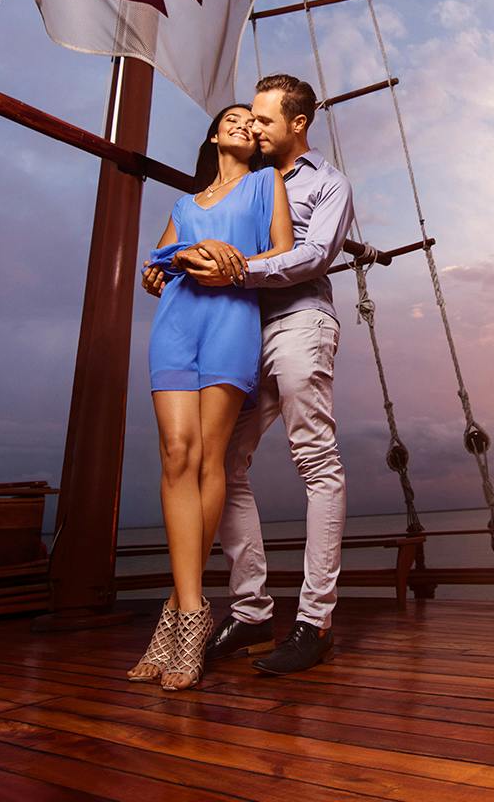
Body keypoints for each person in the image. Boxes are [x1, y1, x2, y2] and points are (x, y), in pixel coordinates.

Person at [144, 73, 353, 676]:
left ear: (297, 124)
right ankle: (251, 609)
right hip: (236, 329)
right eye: (247, 120)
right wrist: (179, 262)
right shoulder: (251, 182)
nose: (254, 128)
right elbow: (194, 241)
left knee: (314, 458)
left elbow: (314, 255)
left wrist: (228, 269)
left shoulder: (327, 182)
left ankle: (314, 621)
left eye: (263, 120)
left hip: (297, 322)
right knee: (224, 463)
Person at [128, 104, 292, 692]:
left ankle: (181, 617)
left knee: (207, 459)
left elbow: (283, 250)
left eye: (254, 122)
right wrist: (166, 266)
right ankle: (190, 609)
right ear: (215, 134)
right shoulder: (181, 206)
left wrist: (236, 260)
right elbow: (155, 264)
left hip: (230, 320)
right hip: (176, 323)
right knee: (175, 452)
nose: (245, 124)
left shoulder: (264, 184)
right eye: (234, 118)